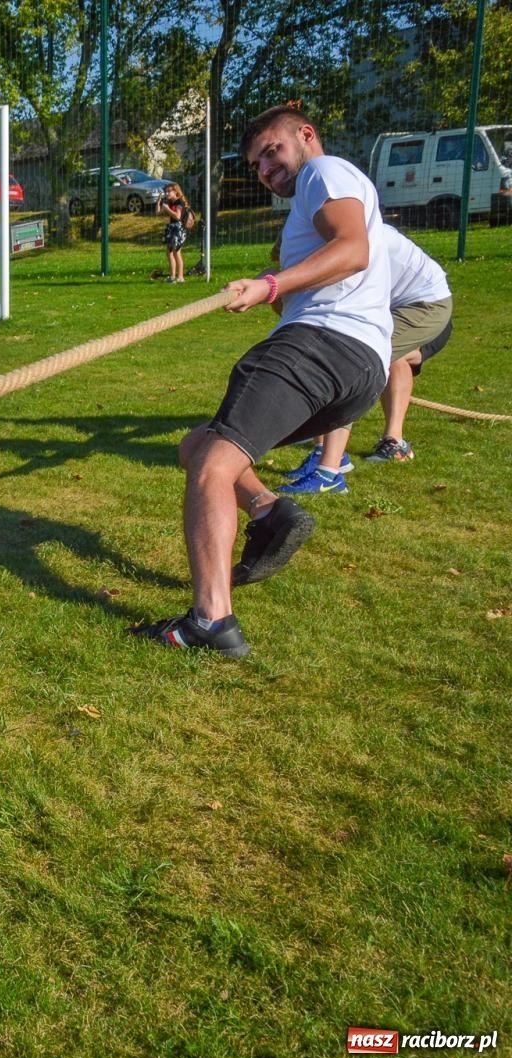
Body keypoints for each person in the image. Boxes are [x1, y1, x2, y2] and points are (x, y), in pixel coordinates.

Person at [130, 105, 391, 657]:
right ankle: (273, 513)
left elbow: (353, 250)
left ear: (306, 135)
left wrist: (270, 285)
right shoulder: (319, 193)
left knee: (212, 466)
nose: (267, 168)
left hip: (321, 347)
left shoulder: (325, 173)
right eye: (257, 164)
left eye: (272, 151)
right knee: (198, 443)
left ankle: (211, 620)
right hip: (362, 368)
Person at [276, 224, 451, 491]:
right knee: (336, 359)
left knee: (352, 366)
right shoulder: (323, 236)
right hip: (390, 301)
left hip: (423, 305)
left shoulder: (354, 242)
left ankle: (330, 473)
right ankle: (326, 453)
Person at [159, 183, 195, 283]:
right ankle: (172, 276)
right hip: (172, 229)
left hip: (178, 229)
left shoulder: (179, 203)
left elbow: (177, 216)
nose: (167, 193)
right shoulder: (170, 202)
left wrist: (167, 209)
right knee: (169, 252)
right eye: (165, 192)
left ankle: (180, 276)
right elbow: (158, 212)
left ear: (176, 192)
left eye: (169, 191)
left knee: (176, 252)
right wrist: (159, 201)